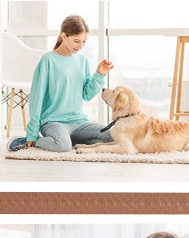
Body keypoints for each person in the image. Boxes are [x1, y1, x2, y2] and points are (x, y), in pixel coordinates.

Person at [8, 14, 115, 153]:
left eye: (84, 41)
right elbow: (36, 99)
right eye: (76, 41)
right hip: (53, 122)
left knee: (112, 136)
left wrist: (100, 74)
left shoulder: (82, 61)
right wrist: (32, 134)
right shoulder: (48, 60)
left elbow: (87, 95)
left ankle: (70, 140)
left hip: (79, 122)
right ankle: (28, 142)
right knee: (62, 146)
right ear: (64, 36)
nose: (80, 46)